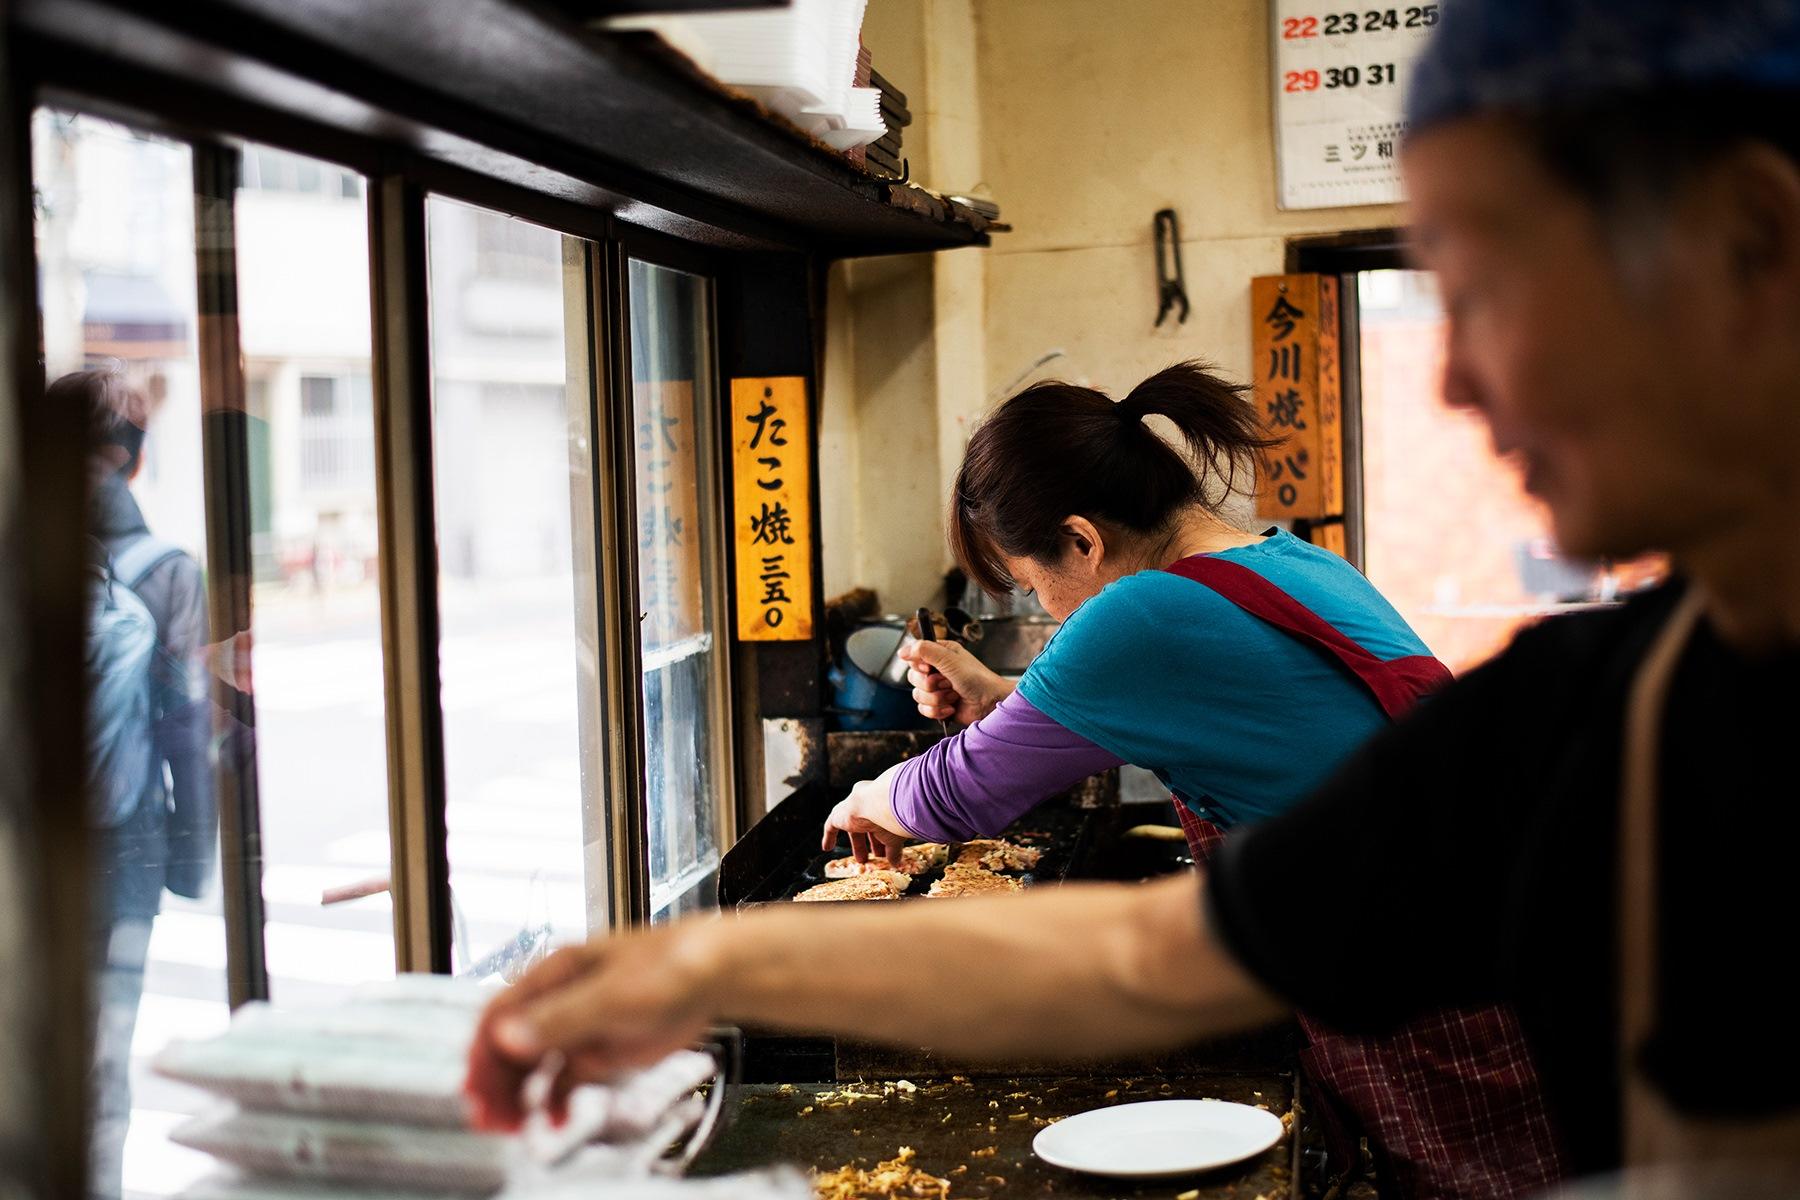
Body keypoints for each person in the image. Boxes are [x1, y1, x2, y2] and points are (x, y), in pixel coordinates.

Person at [466, 0, 1800, 1186]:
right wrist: (693, 966)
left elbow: (1016, 828)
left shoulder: (1187, 620)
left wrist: (808, 872)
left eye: (1492, 285)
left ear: (1749, 238)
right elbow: (1145, 958)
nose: (1456, 382)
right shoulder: (1596, 706)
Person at [818, 362, 1561, 1196]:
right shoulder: (1287, 560)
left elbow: (961, 793)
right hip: (1496, 941)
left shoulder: (1139, 614)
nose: (1057, 612)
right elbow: (1170, 694)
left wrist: (866, 797)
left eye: (1035, 584)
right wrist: (1000, 697)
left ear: (1084, 540)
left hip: (1425, 990)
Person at [63, 367, 217, 1200]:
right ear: (134, 459)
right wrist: (190, 864)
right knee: (101, 1066)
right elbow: (186, 725)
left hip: (27, 855)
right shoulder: (167, 571)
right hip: (124, 859)